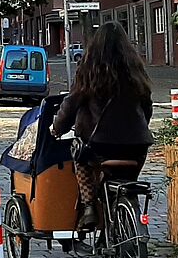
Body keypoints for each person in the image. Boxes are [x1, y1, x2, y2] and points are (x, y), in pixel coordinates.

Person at [50, 23, 153, 229]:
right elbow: (147, 107)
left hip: (99, 146)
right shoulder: (136, 72)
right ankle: (124, 212)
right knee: (127, 179)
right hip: (136, 147)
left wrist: (57, 128)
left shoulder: (90, 71)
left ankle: (89, 207)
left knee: (79, 155)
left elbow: (71, 104)